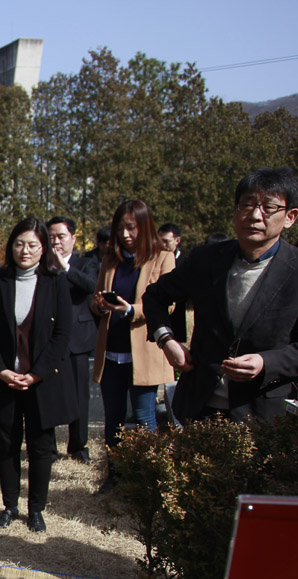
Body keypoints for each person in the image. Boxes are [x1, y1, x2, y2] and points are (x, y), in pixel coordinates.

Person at [143, 167, 298, 424]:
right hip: (199, 407)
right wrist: (166, 340)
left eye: (268, 208)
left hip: (265, 414)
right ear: (235, 210)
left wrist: (266, 362)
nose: (255, 215)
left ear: (290, 217)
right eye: (247, 205)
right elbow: (154, 297)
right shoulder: (205, 259)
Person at [0, 218, 74, 533]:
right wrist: (1, 370)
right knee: (7, 443)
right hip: (5, 379)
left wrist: (37, 374)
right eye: (19, 243)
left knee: (40, 446)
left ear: (44, 248)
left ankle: (36, 509)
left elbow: (62, 334)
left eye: (33, 244)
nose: (25, 250)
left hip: (41, 381)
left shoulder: (55, 282)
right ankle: (10, 505)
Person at [91, 200, 176, 493]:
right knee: (113, 418)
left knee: (143, 417)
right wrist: (101, 305)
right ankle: (114, 476)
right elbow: (95, 299)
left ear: (145, 226)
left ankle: (147, 480)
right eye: (120, 228)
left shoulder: (162, 258)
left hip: (143, 352)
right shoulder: (110, 259)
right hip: (111, 351)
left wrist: (130, 309)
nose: (125, 234)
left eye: (131, 228)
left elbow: (168, 304)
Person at [47, 216, 99, 463]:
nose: (56, 241)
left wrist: (65, 268)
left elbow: (91, 286)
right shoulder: (42, 264)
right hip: (49, 339)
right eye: (51, 237)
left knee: (80, 396)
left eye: (61, 236)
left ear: (73, 239)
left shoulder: (86, 263)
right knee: (48, 393)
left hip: (78, 338)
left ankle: (78, 445)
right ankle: (48, 447)